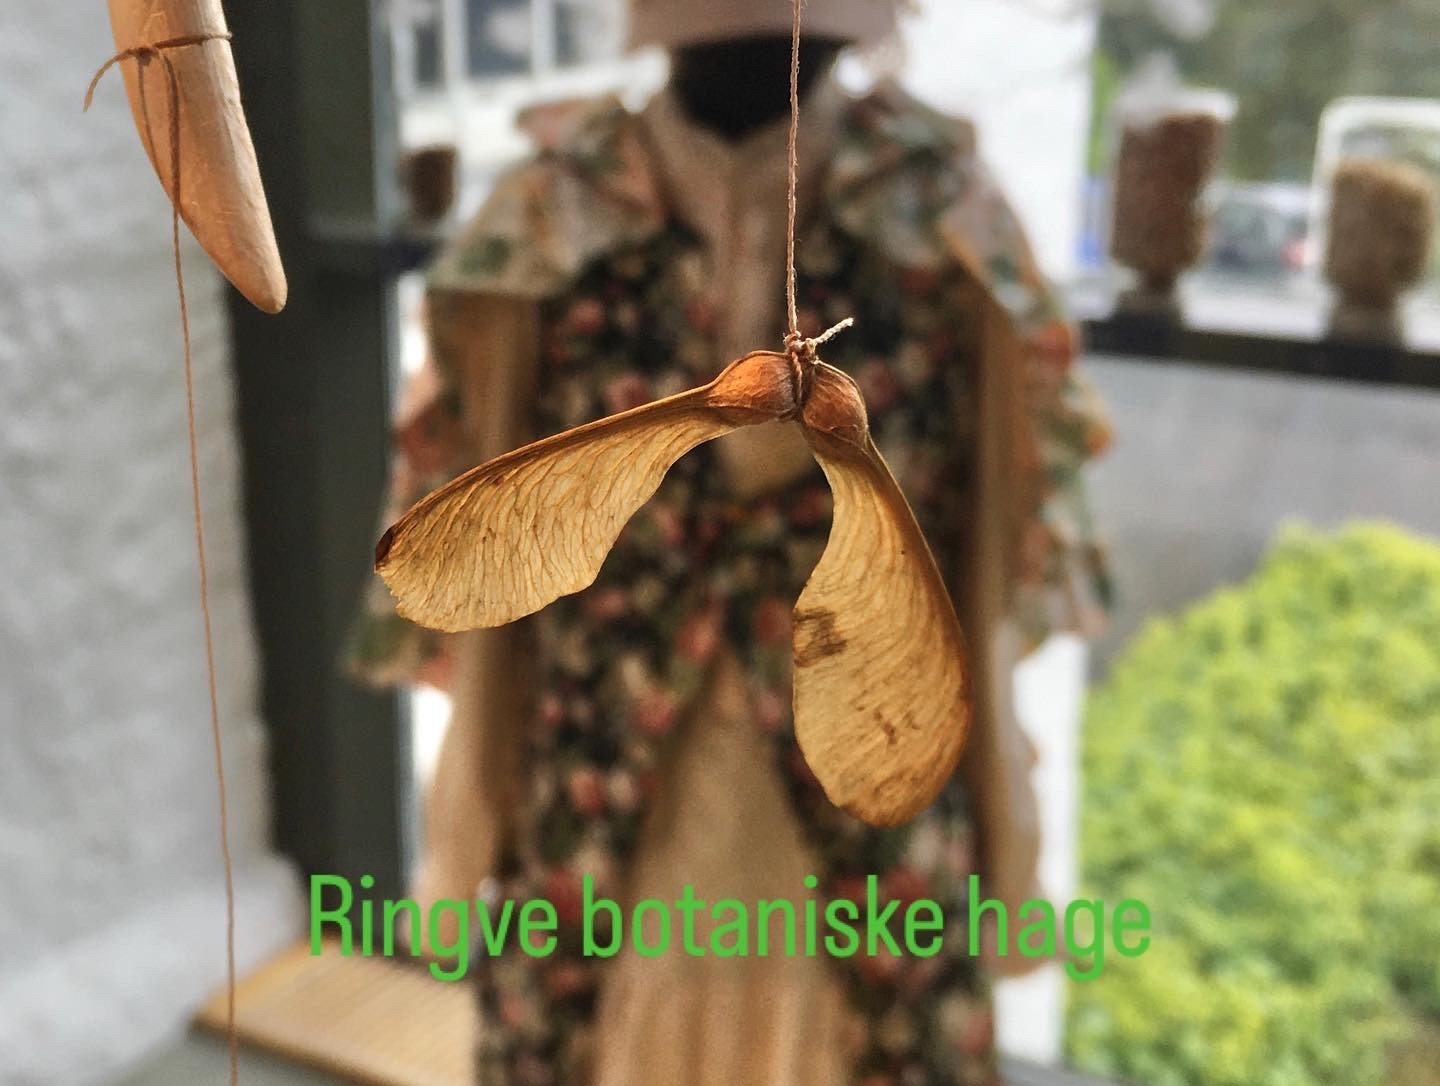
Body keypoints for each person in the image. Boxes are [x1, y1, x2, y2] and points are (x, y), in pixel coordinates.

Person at [349, 1, 1111, 1082]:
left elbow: (980, 560)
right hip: (601, 786)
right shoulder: (550, 218)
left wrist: (1009, 845)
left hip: (872, 797)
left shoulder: (943, 216)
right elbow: (491, 570)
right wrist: (460, 845)